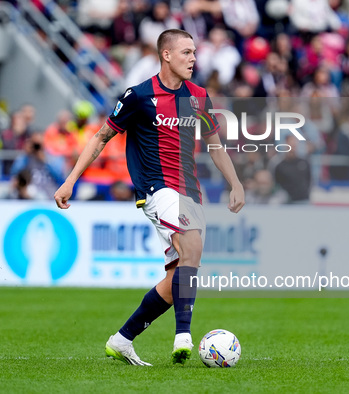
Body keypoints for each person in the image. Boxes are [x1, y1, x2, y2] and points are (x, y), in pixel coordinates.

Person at [54, 29, 245, 366]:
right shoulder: (138, 96)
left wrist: (236, 183)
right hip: (157, 189)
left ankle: (122, 340)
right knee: (194, 246)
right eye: (186, 52)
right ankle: (183, 335)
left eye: (194, 52)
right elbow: (101, 137)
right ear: (166, 55)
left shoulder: (199, 96)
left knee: (177, 279)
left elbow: (215, 145)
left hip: (190, 191)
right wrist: (70, 181)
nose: (193, 58)